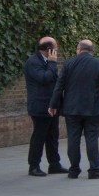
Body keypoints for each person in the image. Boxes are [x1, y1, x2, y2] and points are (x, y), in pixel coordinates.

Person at [47, 39, 99, 179]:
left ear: (78, 50)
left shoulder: (68, 64)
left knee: (73, 139)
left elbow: (59, 86)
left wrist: (53, 105)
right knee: (92, 139)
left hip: (72, 109)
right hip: (93, 109)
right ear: (91, 50)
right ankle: (94, 169)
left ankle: (74, 170)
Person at [23, 36, 67, 177]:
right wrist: (53, 64)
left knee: (53, 136)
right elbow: (44, 78)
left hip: (52, 106)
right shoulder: (33, 62)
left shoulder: (47, 61)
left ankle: (54, 164)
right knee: (39, 136)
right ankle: (34, 166)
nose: (56, 52)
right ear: (48, 50)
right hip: (40, 107)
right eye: (55, 49)